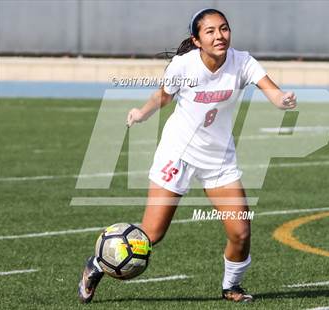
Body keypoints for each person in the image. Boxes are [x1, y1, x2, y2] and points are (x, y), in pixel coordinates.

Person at [78, 8, 296, 304]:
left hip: (218, 158)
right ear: (196, 39)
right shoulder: (184, 66)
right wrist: (141, 113)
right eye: (210, 31)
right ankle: (96, 265)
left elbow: (272, 91)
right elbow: (163, 96)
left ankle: (231, 287)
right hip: (177, 153)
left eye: (224, 28)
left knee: (241, 233)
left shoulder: (242, 62)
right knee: (151, 236)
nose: (219, 36)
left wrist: (283, 100)